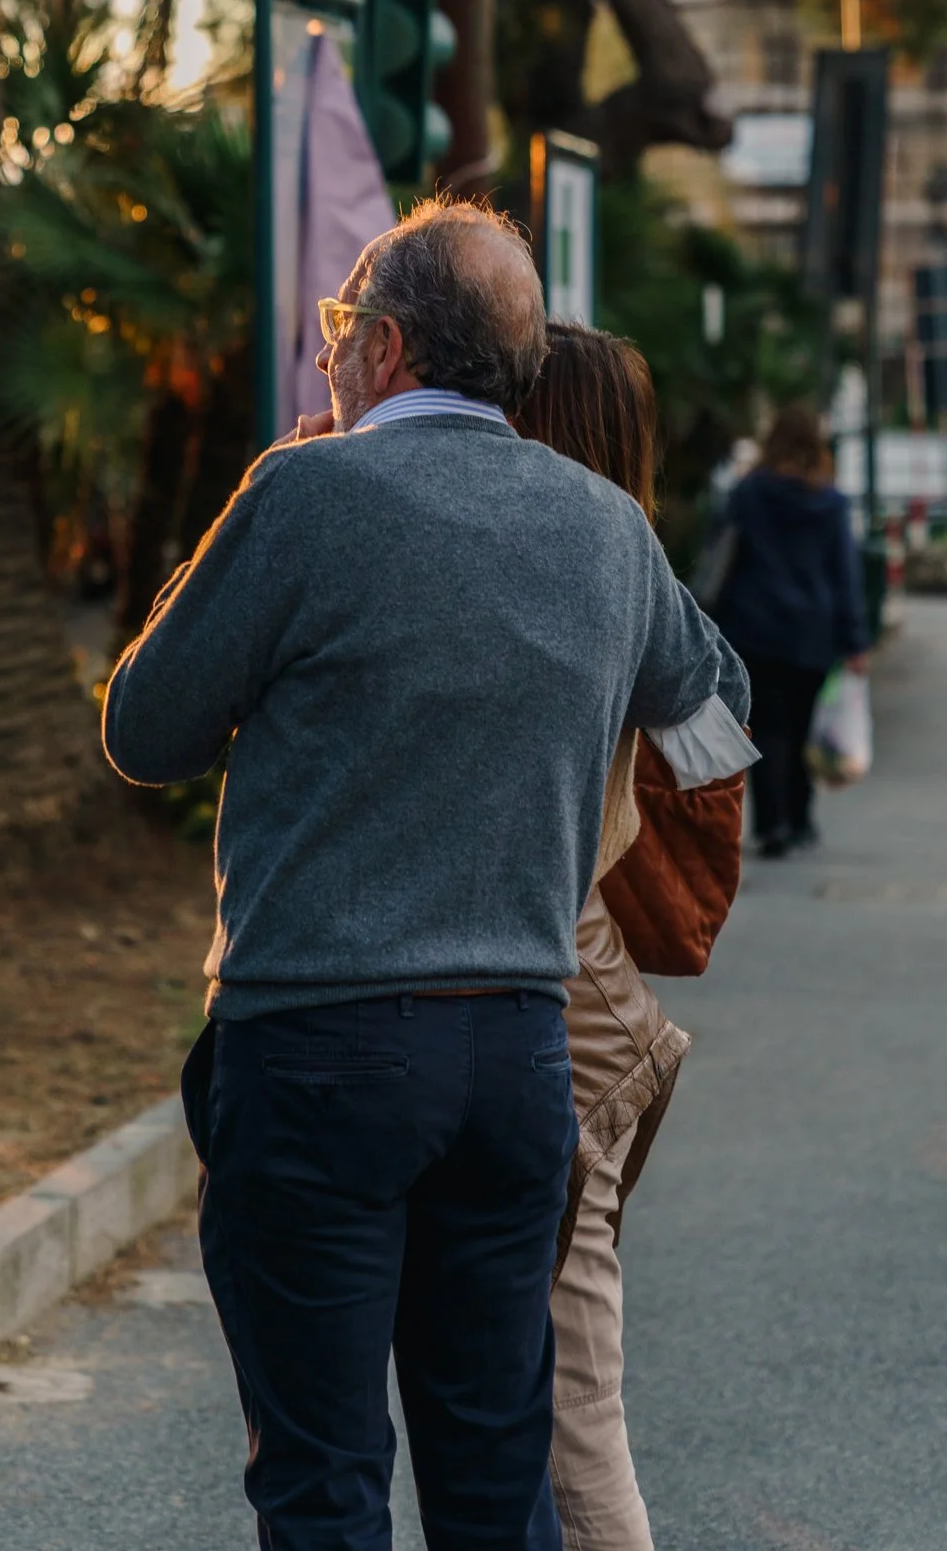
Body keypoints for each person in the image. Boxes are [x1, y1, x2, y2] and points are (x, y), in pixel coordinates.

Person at [102, 199, 749, 1551]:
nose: (335, 351)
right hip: (518, 1058)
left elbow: (144, 733)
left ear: (385, 349)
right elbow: (714, 726)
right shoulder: (606, 529)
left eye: (342, 330)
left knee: (326, 1479)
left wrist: (269, 492)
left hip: (318, 1048)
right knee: (494, 1478)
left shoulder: (305, 494)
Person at [515, 322, 749, 1551]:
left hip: (569, 1022)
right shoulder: (620, 574)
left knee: (569, 1410)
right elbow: (719, 733)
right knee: (540, 1404)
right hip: (590, 1014)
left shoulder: (553, 567)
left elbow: (716, 735)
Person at [712, 402, 869, 856]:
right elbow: (845, 573)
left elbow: (722, 553)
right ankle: (800, 819)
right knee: (803, 726)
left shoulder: (749, 493)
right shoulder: (832, 502)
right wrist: (855, 638)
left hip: (755, 627)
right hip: (812, 634)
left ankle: (772, 824)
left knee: (767, 728)